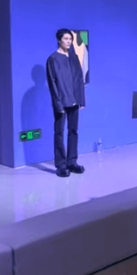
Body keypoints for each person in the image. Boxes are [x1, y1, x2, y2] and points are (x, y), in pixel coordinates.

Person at [46, 29, 86, 177]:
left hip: (74, 101)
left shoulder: (74, 57)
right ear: (59, 40)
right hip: (61, 102)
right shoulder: (53, 59)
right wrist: (58, 104)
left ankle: (72, 162)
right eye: (66, 39)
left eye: (70, 39)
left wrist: (81, 100)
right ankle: (61, 165)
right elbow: (52, 83)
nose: (69, 42)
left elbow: (79, 79)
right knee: (59, 133)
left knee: (73, 131)